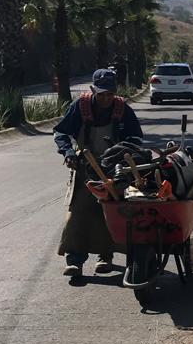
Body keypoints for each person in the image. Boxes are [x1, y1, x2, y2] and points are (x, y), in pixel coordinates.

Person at [54, 68, 144, 277]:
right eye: (101, 94)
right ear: (93, 90)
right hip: (86, 166)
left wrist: (123, 153)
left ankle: (105, 256)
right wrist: (68, 153)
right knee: (79, 212)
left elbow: (137, 139)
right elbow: (61, 132)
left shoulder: (123, 110)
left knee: (110, 212)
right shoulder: (81, 106)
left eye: (110, 94)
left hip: (115, 169)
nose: (106, 98)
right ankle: (75, 260)